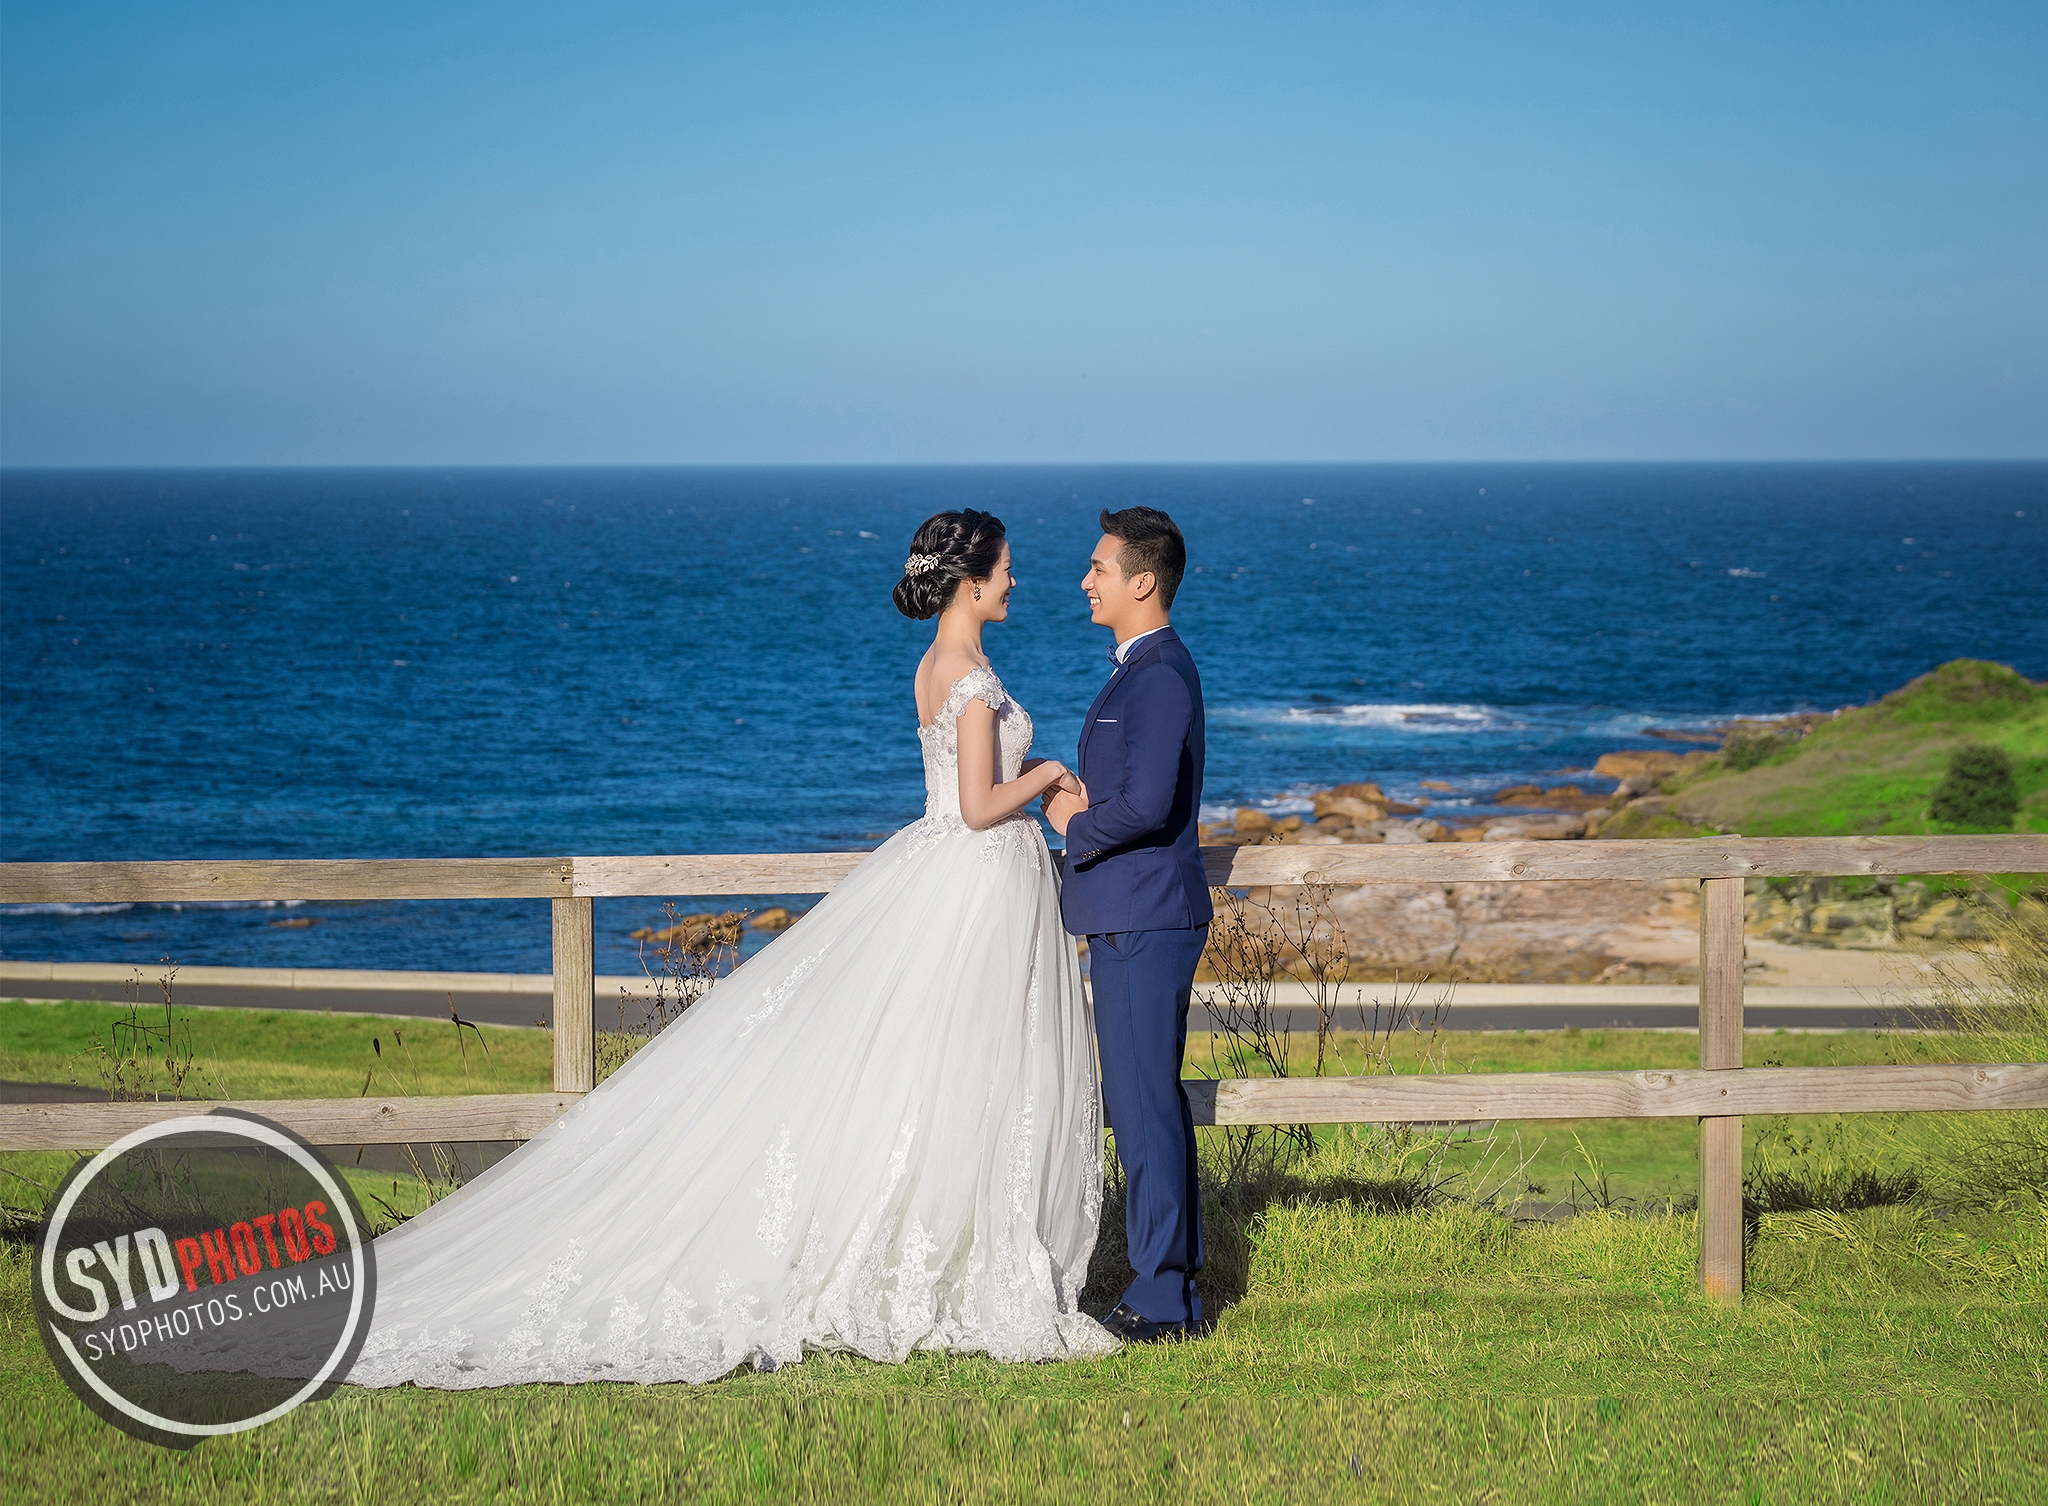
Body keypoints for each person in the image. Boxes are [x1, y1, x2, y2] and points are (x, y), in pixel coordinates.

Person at [349, 509, 1117, 1389]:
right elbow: (978, 807)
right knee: (966, 1065)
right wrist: (1050, 774)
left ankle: (940, 1243)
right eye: (1007, 568)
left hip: (958, 880)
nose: (1016, 581)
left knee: (938, 1066)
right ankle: (946, 1254)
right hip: (973, 884)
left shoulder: (935, 665)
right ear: (971, 581)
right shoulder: (970, 680)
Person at [1043, 506, 1211, 1342]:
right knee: (1148, 1104)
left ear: (1142, 581)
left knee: (1143, 1107)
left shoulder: (1160, 675)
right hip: (1131, 914)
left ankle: (1161, 1297)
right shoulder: (1141, 671)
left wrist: (1075, 823)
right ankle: (1172, 1286)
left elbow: (1146, 806)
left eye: (1099, 568)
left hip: (1145, 918)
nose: (1086, 580)